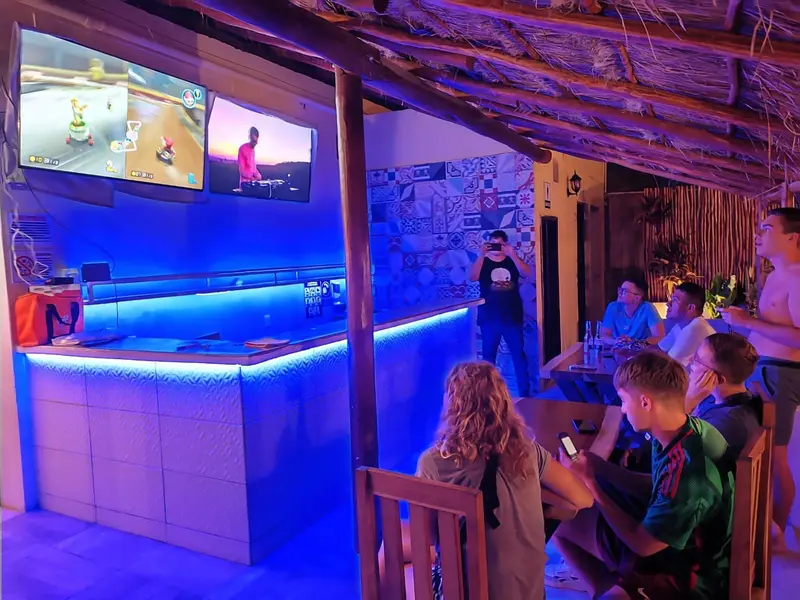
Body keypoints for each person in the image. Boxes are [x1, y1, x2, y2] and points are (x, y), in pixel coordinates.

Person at [550, 352, 734, 600]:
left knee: (569, 510)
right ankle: (606, 590)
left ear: (646, 403)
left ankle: (617, 590)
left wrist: (591, 483)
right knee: (563, 512)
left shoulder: (688, 472)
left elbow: (643, 545)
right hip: (677, 539)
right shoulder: (683, 430)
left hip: (692, 573)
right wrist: (600, 467)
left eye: (624, 401)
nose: (623, 409)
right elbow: (658, 486)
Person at [409, 361, 593, 600]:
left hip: (468, 592)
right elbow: (584, 499)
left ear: (452, 404)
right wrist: (536, 501)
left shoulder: (434, 461)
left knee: (392, 553)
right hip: (531, 595)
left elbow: (427, 537)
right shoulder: (527, 451)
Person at [720, 207, 800, 549]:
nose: (758, 234)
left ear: (793, 237)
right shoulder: (776, 276)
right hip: (765, 369)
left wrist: (748, 322)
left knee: (774, 459)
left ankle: (773, 542)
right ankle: (764, 533)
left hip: (781, 373)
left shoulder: (797, 277)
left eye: (767, 228)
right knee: (760, 455)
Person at [469, 230, 532, 397]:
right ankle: (487, 395)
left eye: (499, 244)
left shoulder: (511, 260)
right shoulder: (483, 262)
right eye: (492, 244)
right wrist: (481, 255)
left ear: (505, 244)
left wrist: (513, 255)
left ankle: (525, 394)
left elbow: (528, 274)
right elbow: (472, 277)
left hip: (512, 317)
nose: (496, 247)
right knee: (488, 358)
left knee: (519, 356)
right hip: (489, 318)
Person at [685, 333, 762, 463]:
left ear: (718, 379)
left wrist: (688, 401)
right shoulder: (711, 399)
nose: (690, 359)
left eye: (697, 359)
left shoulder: (727, 422)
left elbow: (679, 455)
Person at [658, 281, 716, 366]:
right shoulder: (681, 325)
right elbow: (659, 350)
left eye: (675, 300)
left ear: (691, 308)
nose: (668, 304)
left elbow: (668, 365)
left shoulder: (695, 329)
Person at [599, 276, 664, 345]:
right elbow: (604, 335)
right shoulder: (613, 307)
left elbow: (659, 337)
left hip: (641, 350)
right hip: (617, 348)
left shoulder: (648, 308)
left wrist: (634, 344)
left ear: (637, 298)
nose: (620, 293)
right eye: (620, 289)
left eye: (625, 291)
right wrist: (616, 342)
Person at [237, 126, 261, 190]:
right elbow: (242, 171)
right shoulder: (242, 148)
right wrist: (252, 177)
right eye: (254, 141)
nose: (256, 143)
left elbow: (253, 168)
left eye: (256, 141)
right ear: (250, 138)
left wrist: (258, 175)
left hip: (253, 182)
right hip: (245, 184)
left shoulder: (253, 150)